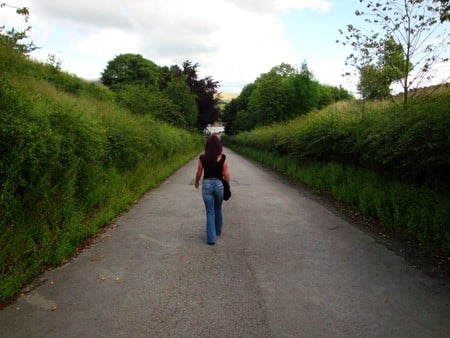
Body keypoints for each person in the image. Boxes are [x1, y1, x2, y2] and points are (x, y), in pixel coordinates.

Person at [195, 135, 230, 245]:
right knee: (218, 208)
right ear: (218, 146)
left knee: (210, 211)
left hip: (207, 185)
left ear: (207, 145)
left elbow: (199, 173)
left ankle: (211, 238)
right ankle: (218, 231)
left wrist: (196, 182)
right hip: (219, 185)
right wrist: (227, 185)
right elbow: (226, 174)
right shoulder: (223, 157)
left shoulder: (202, 158)